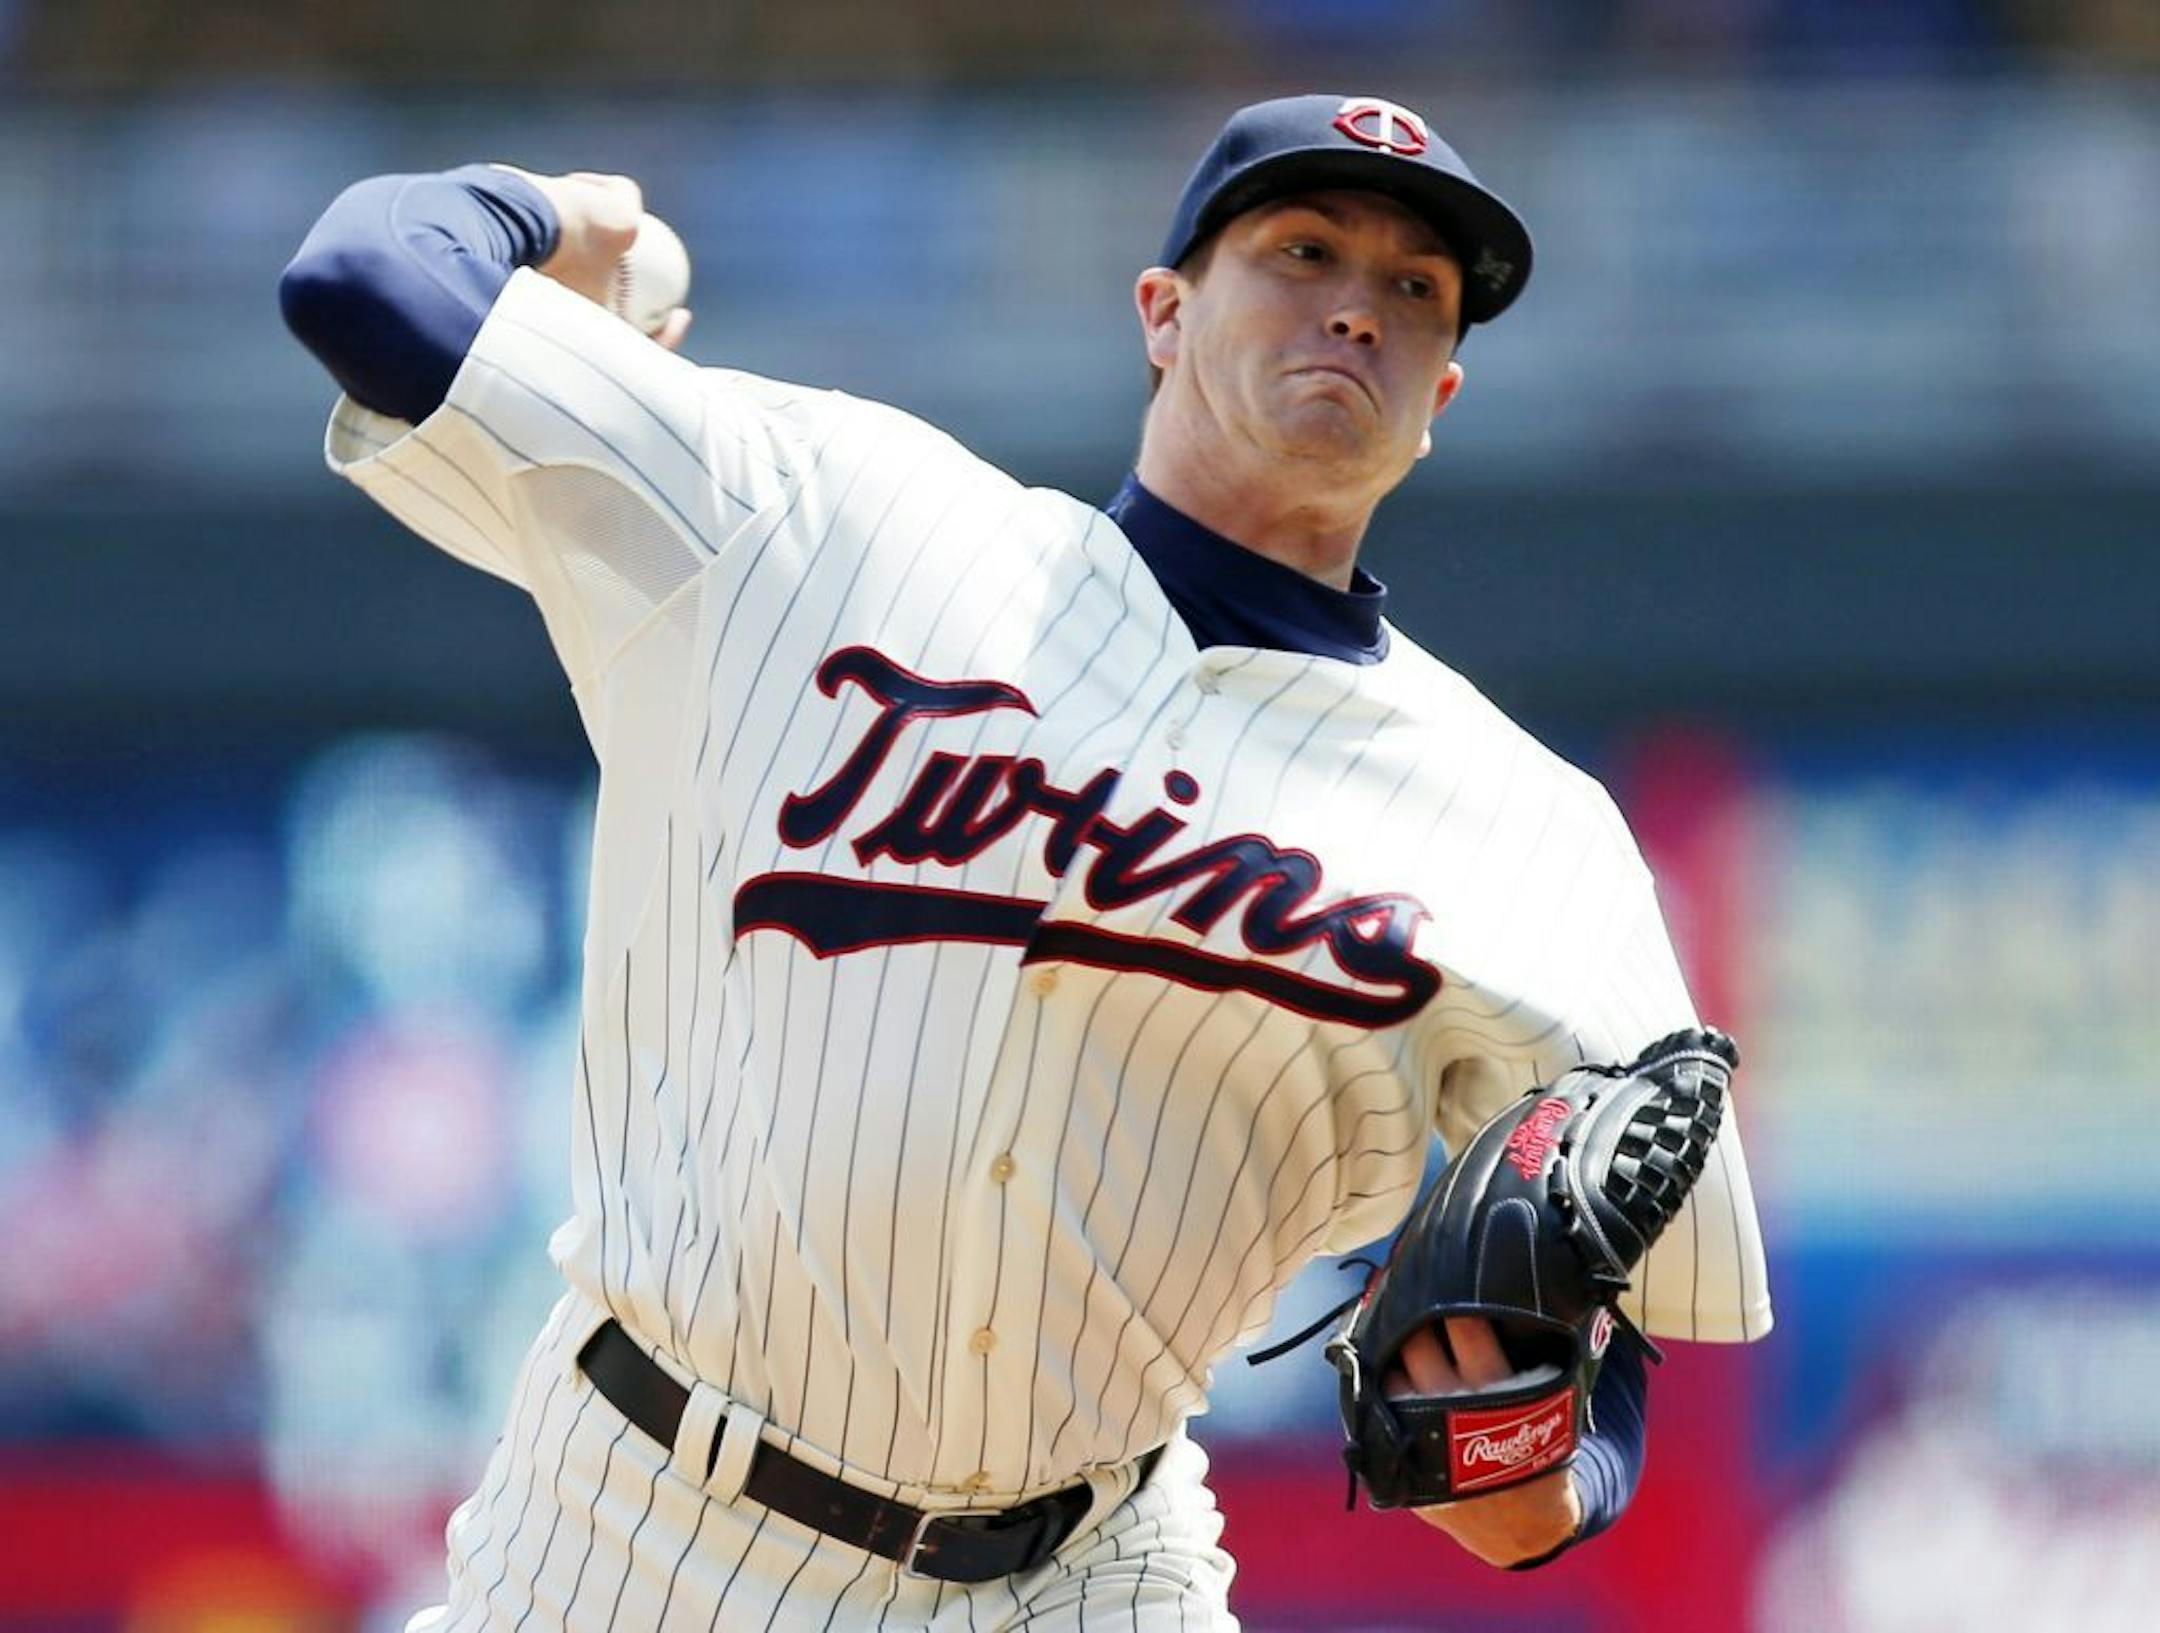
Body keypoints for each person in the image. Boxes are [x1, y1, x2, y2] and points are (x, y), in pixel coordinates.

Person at [281, 92, 1772, 1630]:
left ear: (1441, 389)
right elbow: (366, 282)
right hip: (646, 1514)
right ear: (1163, 311)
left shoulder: (1527, 833)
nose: (1356, 306)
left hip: (1088, 1566)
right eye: (1304, 247)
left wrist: (1537, 1472)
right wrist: (559, 206)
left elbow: (1616, 1375)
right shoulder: (825, 514)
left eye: (1415, 288)